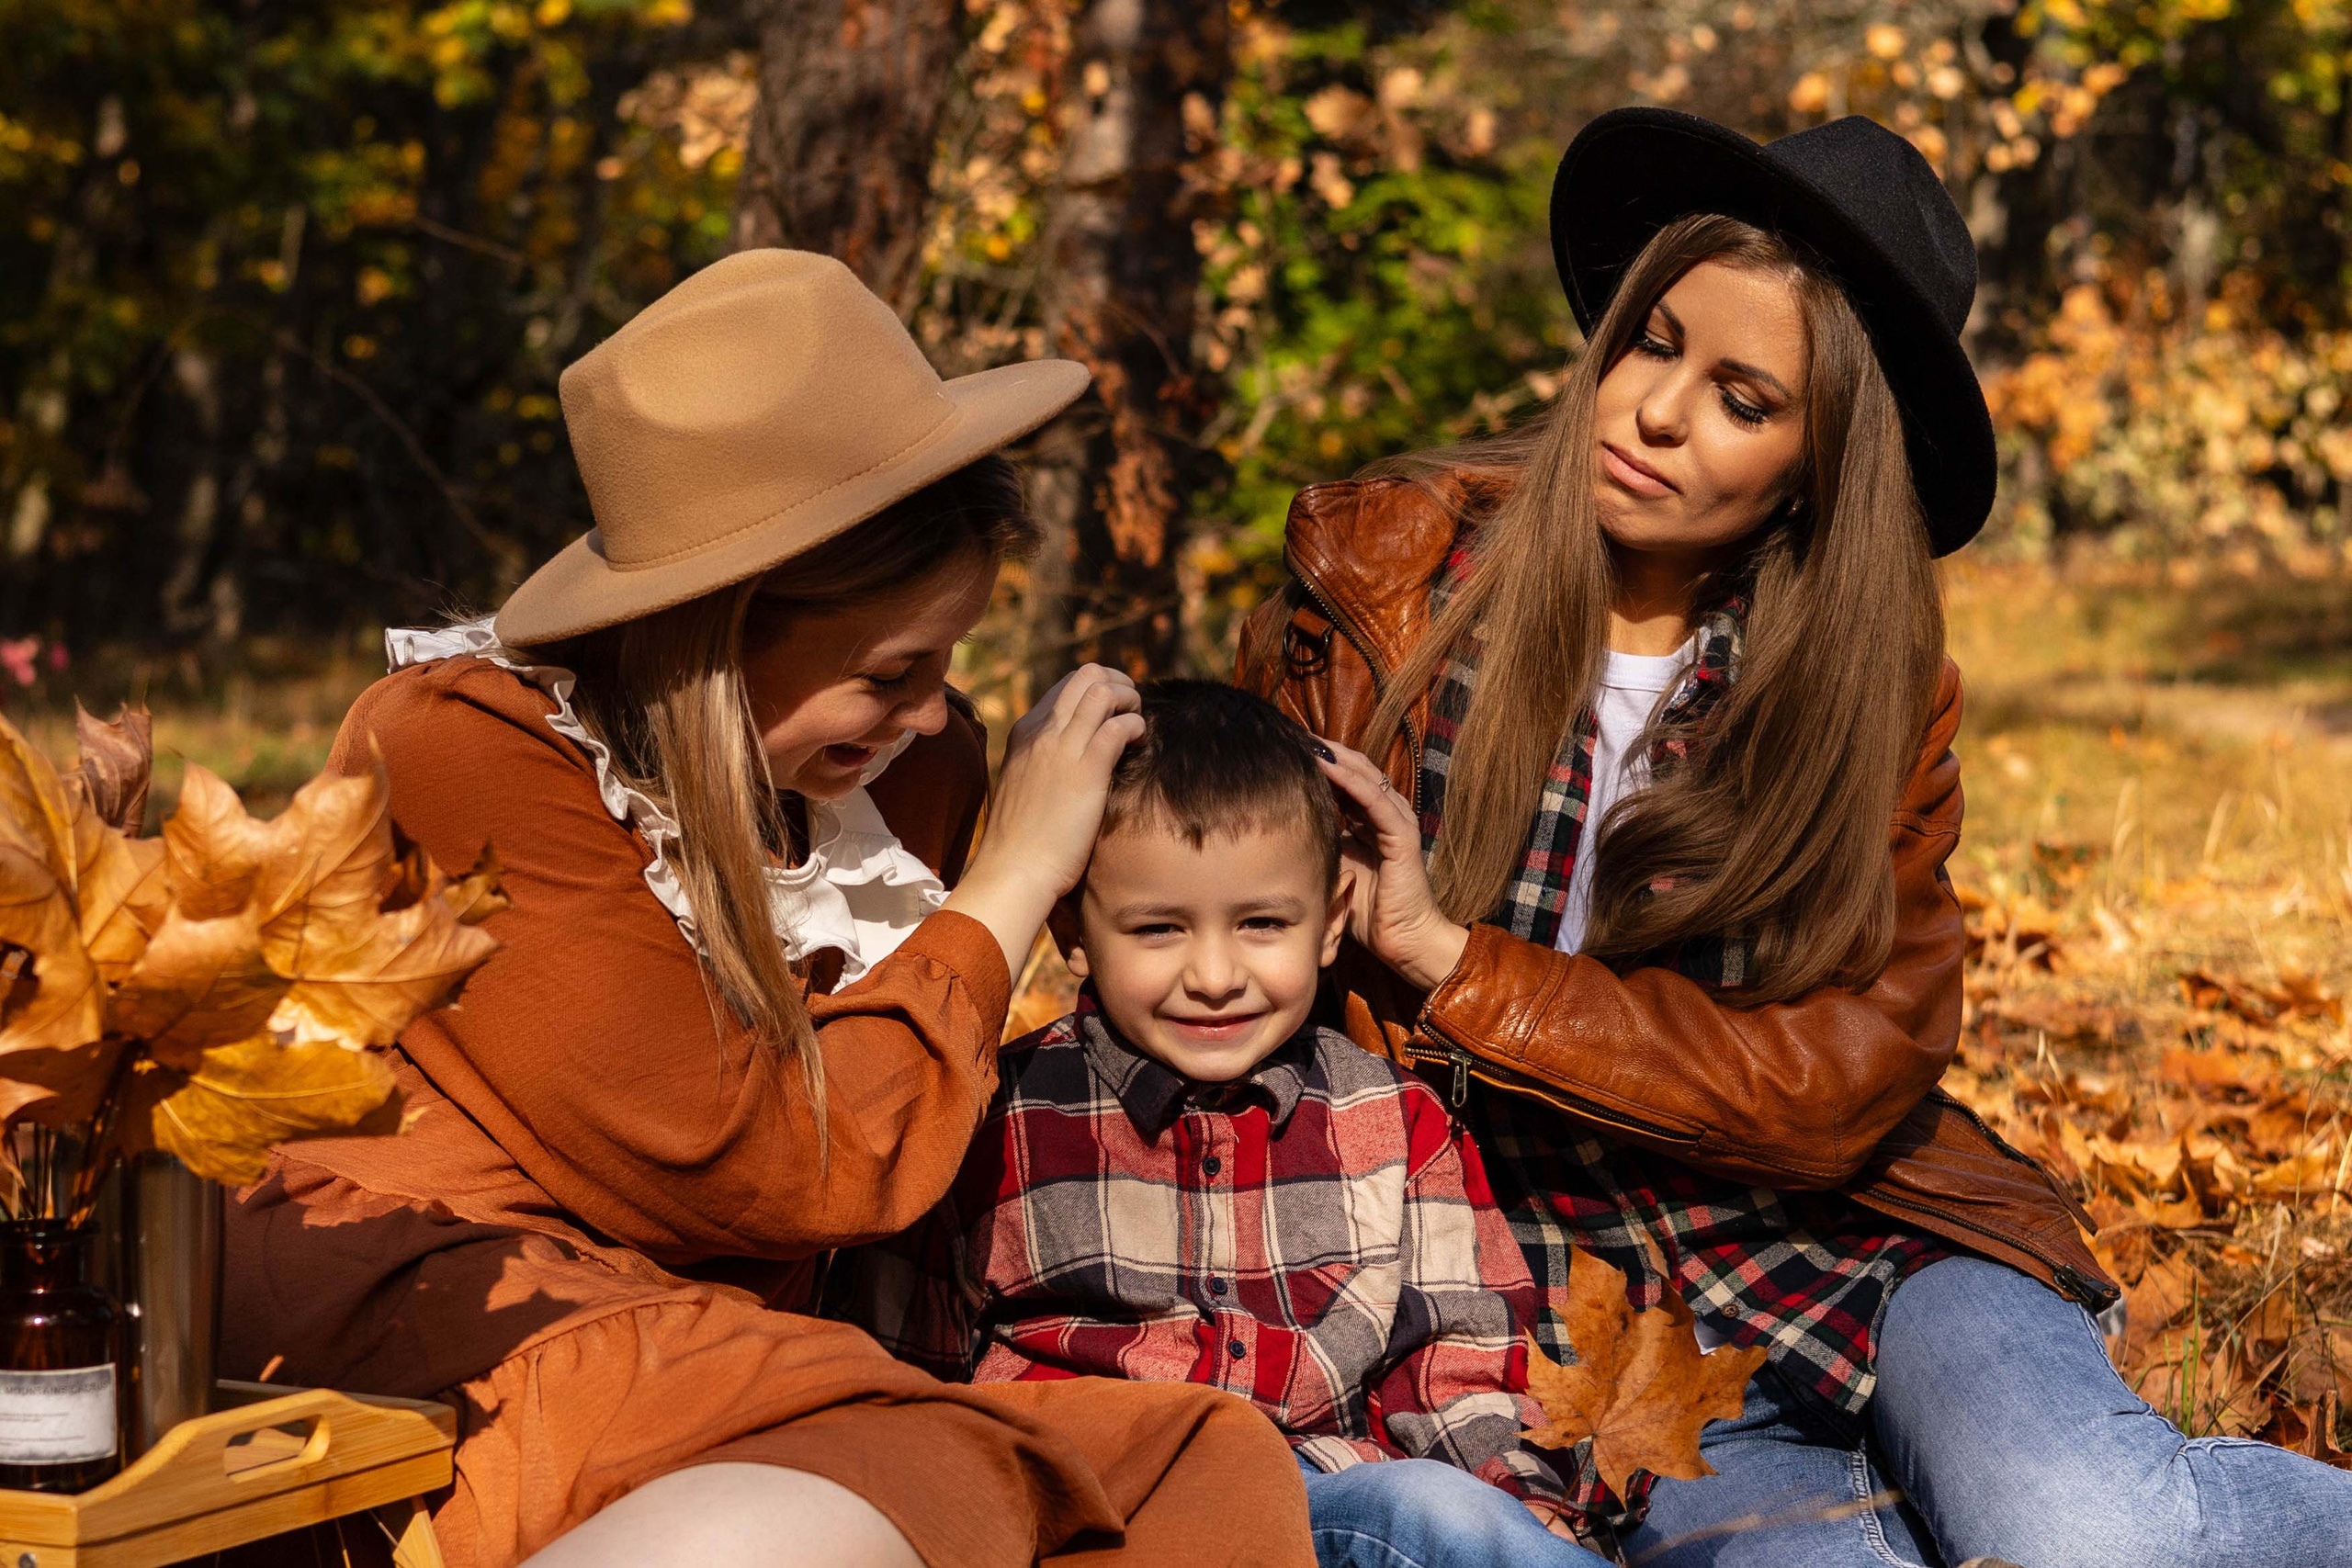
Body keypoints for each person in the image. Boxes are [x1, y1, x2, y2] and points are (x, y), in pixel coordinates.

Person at [1238, 108, 2352, 1568]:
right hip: (1599, 1335)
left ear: (1822, 463)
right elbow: (1210, 931)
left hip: (1867, 1245)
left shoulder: (1863, 681)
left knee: (2093, 1535)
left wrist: (1451, 959)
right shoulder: (1390, 589)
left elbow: (1843, 1078)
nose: (1654, 412)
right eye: (1653, 343)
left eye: (1743, 397)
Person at [218, 250, 1311, 1568]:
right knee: (941, 1450)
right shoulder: (470, 749)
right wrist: (1008, 879)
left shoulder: (906, 767)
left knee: (1190, 1458)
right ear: (712, 633)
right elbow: (753, 1161)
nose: (930, 712)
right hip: (458, 1290)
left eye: (950, 657)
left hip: (711, 1340)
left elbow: (1170, 913)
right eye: (889, 670)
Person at [842, 680, 1611, 1568]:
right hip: (1085, 1505)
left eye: (1261, 923)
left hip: (1320, 1502)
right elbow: (906, 1363)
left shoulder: (1397, 1121)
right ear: (1073, 930)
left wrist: (1519, 1496)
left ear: (1329, 923)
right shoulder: (996, 1116)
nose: (1214, 974)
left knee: (1445, 1517)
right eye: (1159, 927)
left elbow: (1455, 1359)